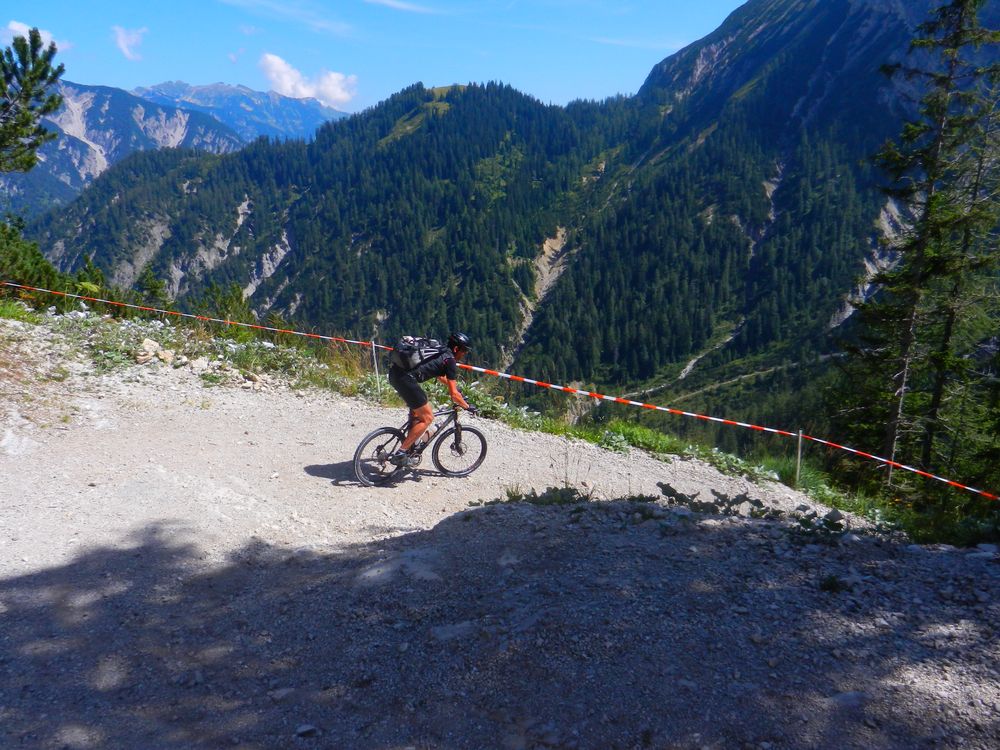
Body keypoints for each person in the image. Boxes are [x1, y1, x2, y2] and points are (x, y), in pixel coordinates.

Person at [387, 332, 476, 466]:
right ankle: (401, 453)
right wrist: (467, 406)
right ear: (457, 349)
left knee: (419, 409)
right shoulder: (450, 361)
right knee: (428, 417)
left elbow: (440, 376)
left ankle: (412, 445)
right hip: (406, 380)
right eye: (464, 350)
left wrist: (456, 389)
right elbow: (454, 395)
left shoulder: (440, 350)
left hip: (395, 373)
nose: (464, 354)